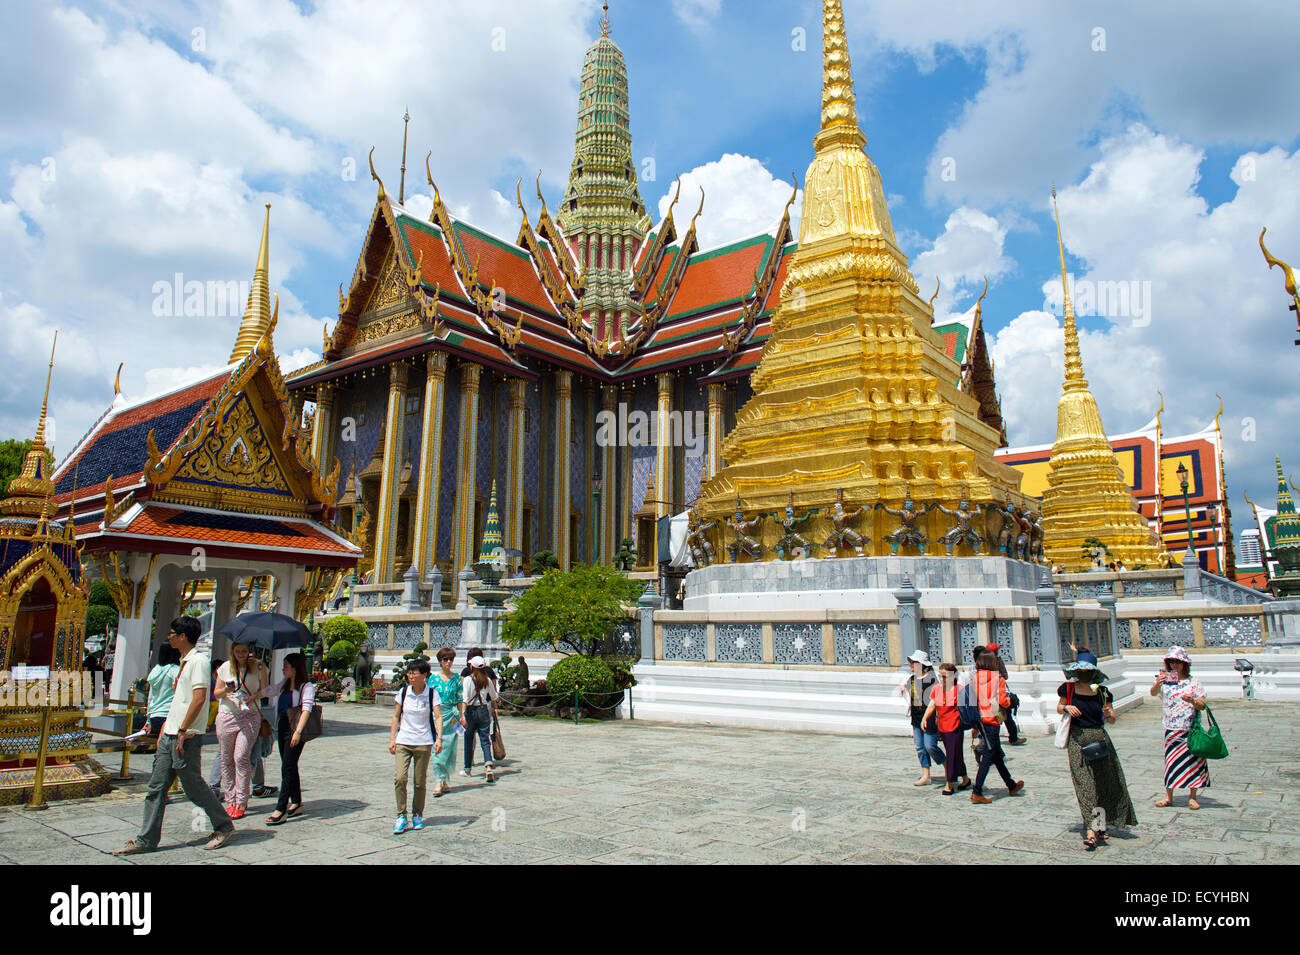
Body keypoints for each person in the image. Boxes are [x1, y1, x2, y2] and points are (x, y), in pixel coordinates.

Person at [113, 617, 234, 854]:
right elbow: (176, 702)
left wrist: (182, 730)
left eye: (172, 633)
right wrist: (167, 729)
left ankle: (224, 824)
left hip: (186, 736)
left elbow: (200, 698)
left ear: (182, 636)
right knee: (156, 788)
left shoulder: (198, 661)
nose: (168, 637)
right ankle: (146, 839)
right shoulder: (183, 662)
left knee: (193, 787)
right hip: (170, 733)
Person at [1057, 651, 1137, 850]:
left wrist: (1110, 714)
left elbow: (1110, 719)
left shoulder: (1101, 691)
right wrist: (1066, 708)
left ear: (1094, 673)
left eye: (1087, 671)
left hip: (1100, 740)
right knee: (1085, 785)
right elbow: (1059, 707)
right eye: (1081, 670)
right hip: (1077, 741)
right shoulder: (1068, 689)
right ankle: (1091, 831)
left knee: (1103, 784)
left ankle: (1099, 826)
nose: (1084, 674)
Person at [1149, 645, 1209, 809]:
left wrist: (1192, 701)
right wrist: (1157, 684)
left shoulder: (1193, 682)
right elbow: (1153, 693)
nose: (1174, 665)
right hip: (1172, 728)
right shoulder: (1166, 681)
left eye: (1177, 662)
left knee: (1193, 762)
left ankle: (1193, 796)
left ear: (1184, 664)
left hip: (1190, 728)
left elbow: (1202, 704)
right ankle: (1169, 796)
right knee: (1171, 762)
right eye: (1171, 661)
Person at [213, 640, 268, 819]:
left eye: (244, 651)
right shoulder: (225, 668)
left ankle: (242, 800)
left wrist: (254, 696)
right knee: (226, 758)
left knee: (241, 756)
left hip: (249, 715)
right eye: (238, 651)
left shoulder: (259, 667)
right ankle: (230, 798)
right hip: (228, 715)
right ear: (233, 651)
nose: (241, 654)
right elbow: (217, 693)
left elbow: (265, 691)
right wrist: (228, 690)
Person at [389, 659, 443, 834]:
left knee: (419, 782)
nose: (410, 676)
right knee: (400, 778)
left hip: (423, 742)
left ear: (424, 675)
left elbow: (438, 717)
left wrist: (439, 739)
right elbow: (396, 716)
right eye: (409, 673)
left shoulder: (431, 694)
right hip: (404, 741)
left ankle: (417, 814)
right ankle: (401, 815)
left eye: (414, 673)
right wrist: (392, 739)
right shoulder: (403, 692)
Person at [261, 652, 315, 825]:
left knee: (287, 767)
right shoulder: (285, 684)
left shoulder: (306, 687)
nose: (283, 669)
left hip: (296, 728)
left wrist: (298, 732)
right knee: (289, 764)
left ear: (294, 668)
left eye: (286, 666)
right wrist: (254, 695)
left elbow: (307, 709)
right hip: (283, 726)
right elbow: (271, 690)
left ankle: (281, 808)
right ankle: (297, 802)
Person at [970, 649, 1025, 804]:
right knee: (989, 756)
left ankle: (1011, 784)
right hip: (992, 720)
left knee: (996, 754)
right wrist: (1011, 701)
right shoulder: (997, 679)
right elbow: (1002, 701)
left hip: (980, 719)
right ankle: (977, 791)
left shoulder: (975, 678)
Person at [922, 663, 970, 795]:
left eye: (945, 676)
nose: (942, 678)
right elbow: (932, 704)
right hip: (942, 726)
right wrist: (925, 718)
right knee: (956, 754)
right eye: (940, 676)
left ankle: (949, 783)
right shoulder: (936, 689)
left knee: (951, 755)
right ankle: (965, 778)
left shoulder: (960, 690)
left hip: (955, 727)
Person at [898, 650, 944, 785]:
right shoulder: (912, 679)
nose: (911, 665)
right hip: (916, 717)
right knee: (919, 747)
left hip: (929, 717)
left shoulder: (931, 679)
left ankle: (947, 766)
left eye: (914, 663)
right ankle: (926, 774)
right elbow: (907, 688)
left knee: (930, 746)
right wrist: (903, 687)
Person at [429, 646, 465, 796]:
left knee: (449, 749)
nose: (448, 662)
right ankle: (438, 779)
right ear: (440, 661)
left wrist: (462, 715)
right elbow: (429, 698)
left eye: (450, 659)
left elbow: (459, 698)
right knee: (438, 747)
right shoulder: (433, 679)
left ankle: (444, 779)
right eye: (445, 659)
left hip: (452, 716)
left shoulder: (456, 678)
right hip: (437, 715)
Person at [462, 655, 499, 782]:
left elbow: (465, 699)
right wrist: (494, 709)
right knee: (485, 738)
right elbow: (494, 696)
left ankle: (467, 768)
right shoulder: (487, 680)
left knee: (468, 738)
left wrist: (462, 714)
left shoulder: (467, 679)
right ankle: (488, 766)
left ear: (472, 666)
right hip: (483, 709)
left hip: (471, 711)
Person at [140, 644, 181, 745]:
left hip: (155, 715)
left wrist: (149, 720)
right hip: (169, 714)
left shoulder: (156, 670)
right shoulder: (175, 671)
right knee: (168, 750)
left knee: (161, 748)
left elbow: (151, 697)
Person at [986, 643, 1025, 745]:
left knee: (993, 720)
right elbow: (1005, 676)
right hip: (1000, 694)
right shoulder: (998, 661)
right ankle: (1013, 738)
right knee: (1006, 718)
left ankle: (988, 741)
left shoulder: (983, 663)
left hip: (988, 696)